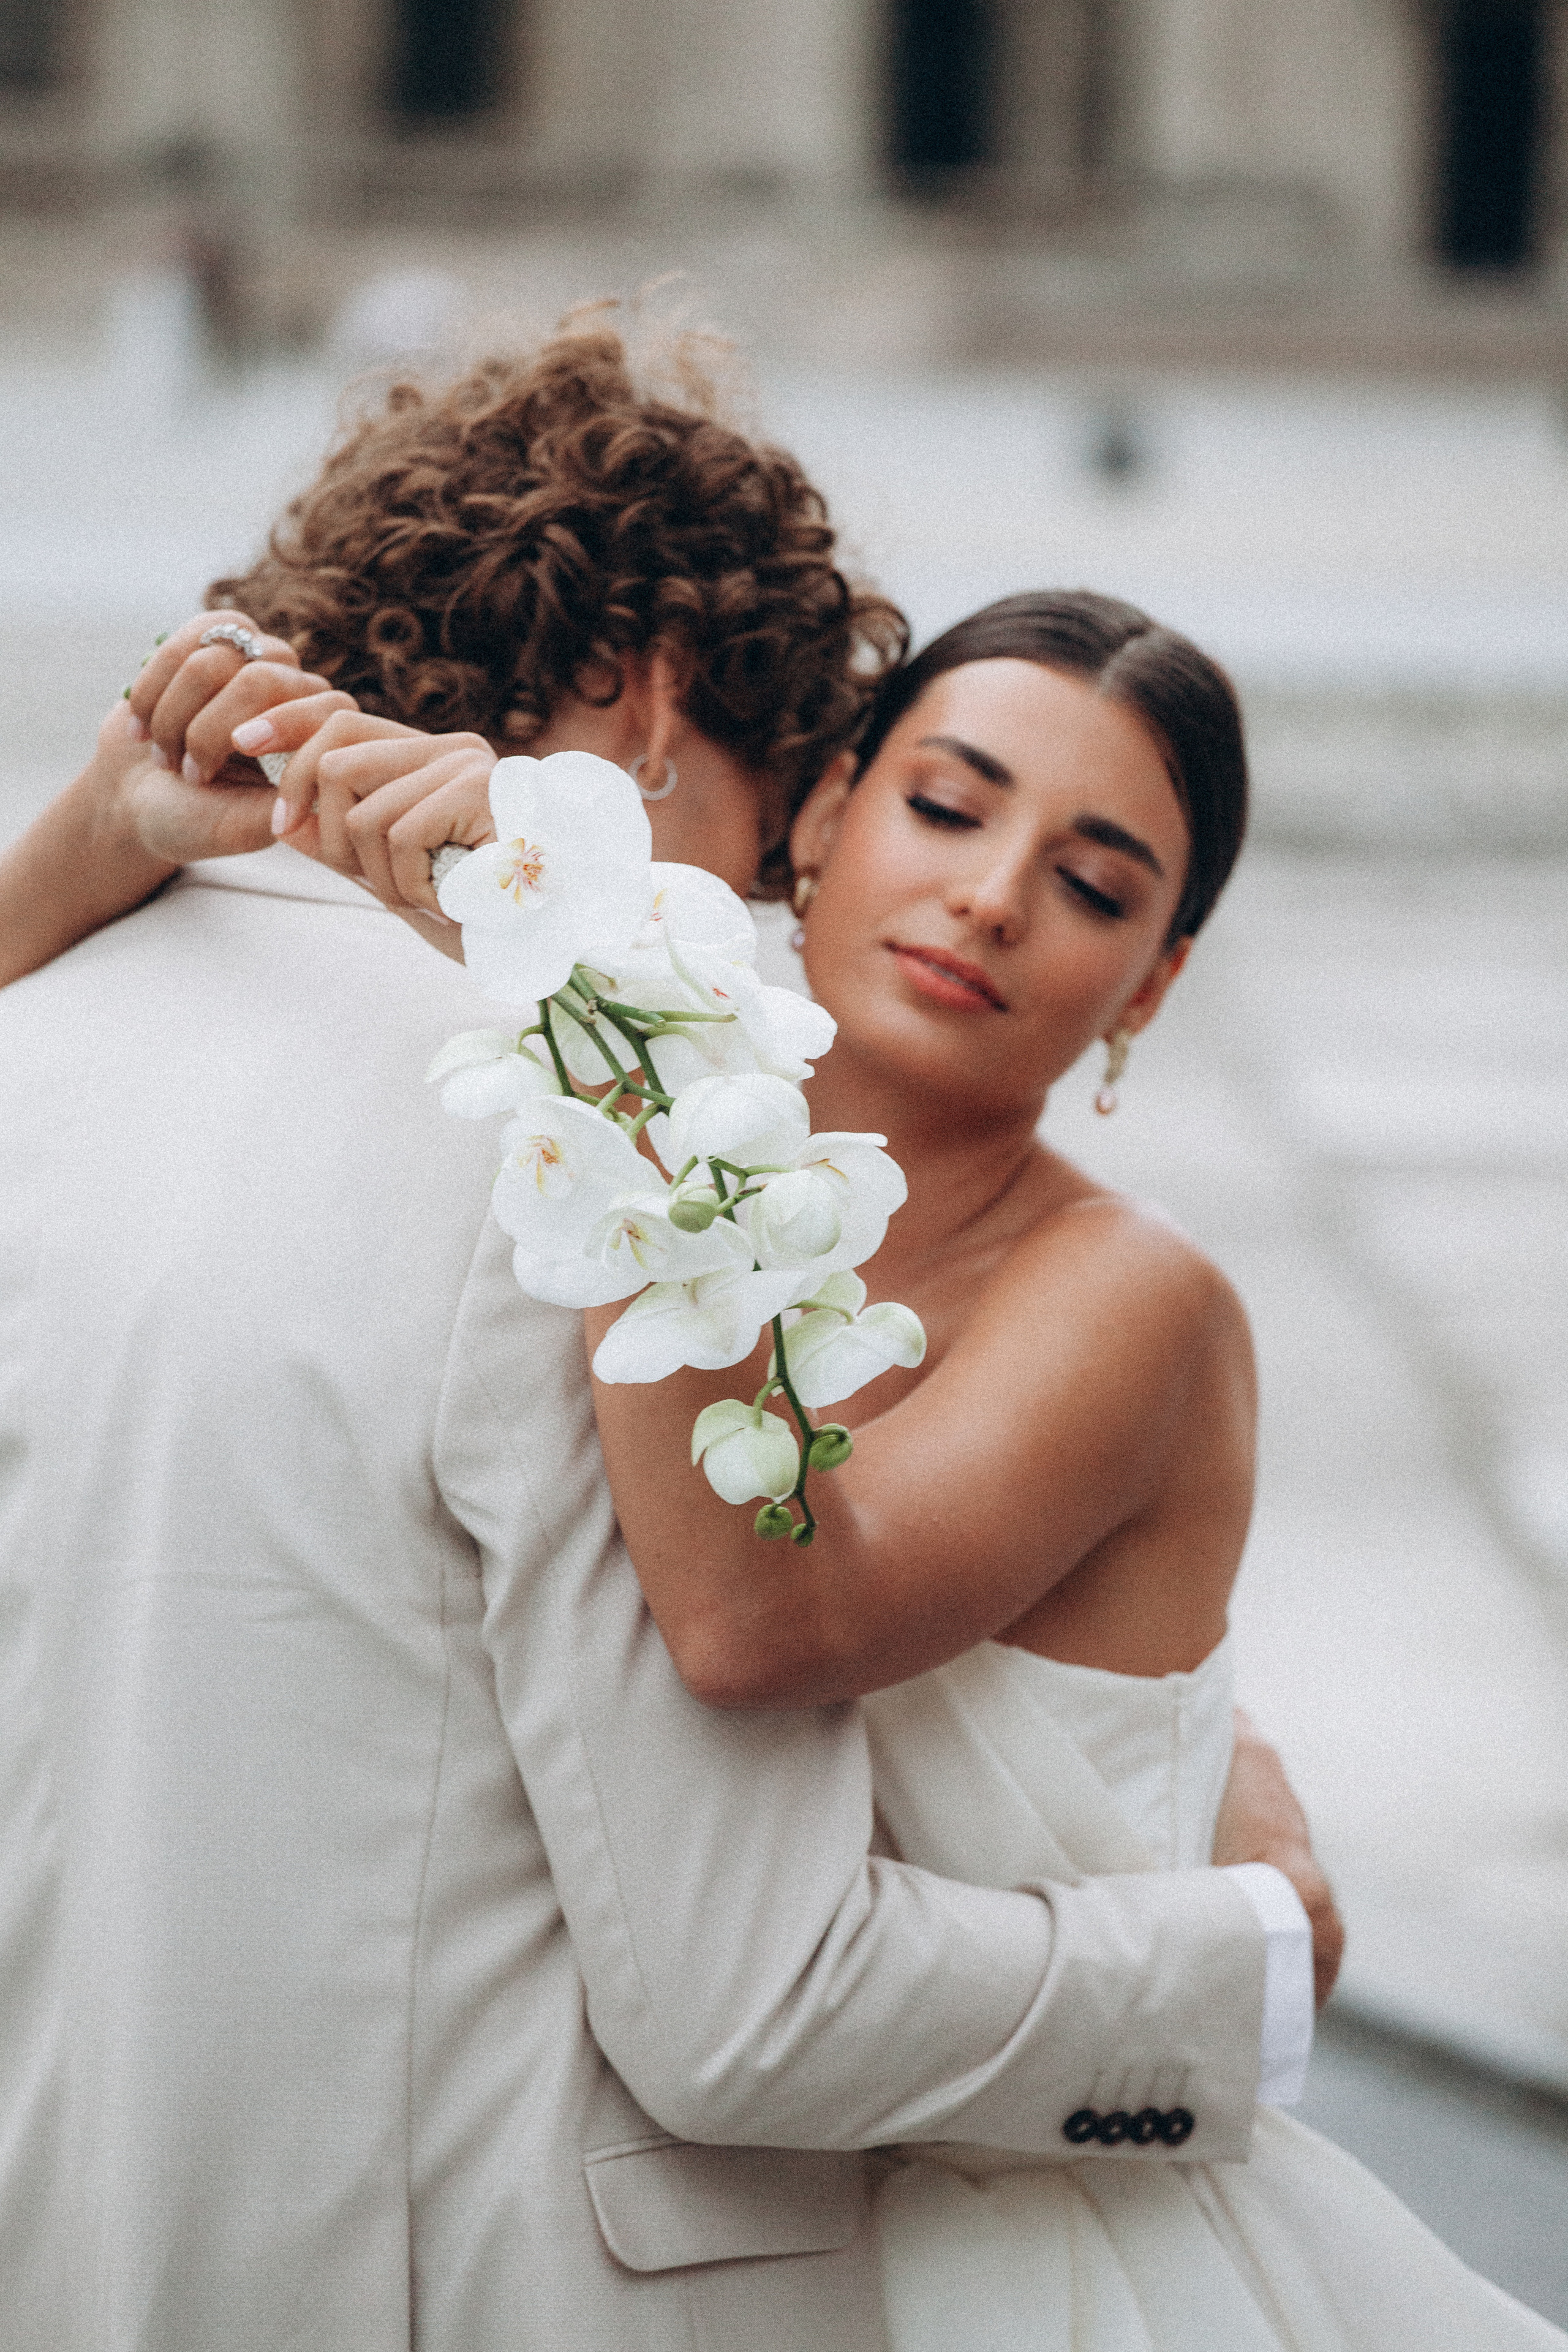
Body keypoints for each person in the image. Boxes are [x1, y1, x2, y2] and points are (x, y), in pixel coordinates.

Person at [0, 325, 1325, 2352]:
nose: (789, 886)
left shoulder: (49, 1032)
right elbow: (752, 1994)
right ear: (649, 703)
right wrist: (1246, 1961)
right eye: (821, 786)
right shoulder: (598, 1141)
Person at [255, 586, 1568, 2349]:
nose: (995, 893)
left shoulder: (1131, 1299)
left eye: (1097, 885)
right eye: (950, 806)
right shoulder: (652, 1169)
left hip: (1038, 2269)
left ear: (1152, 985)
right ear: (825, 812)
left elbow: (763, 1622)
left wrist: (591, 998)